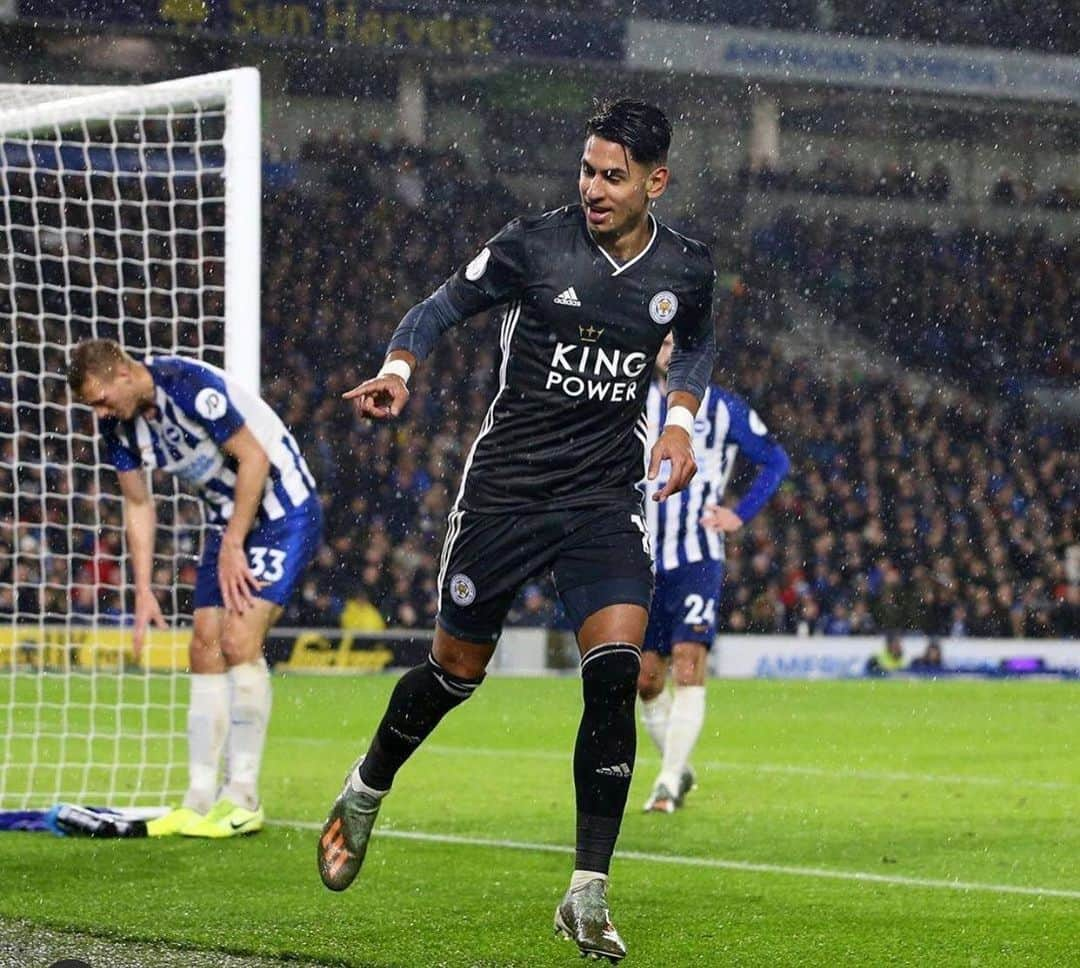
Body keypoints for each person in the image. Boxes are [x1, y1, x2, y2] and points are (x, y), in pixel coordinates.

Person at [317, 98, 715, 963]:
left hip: (603, 500)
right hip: (504, 495)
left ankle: (587, 890)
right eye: (587, 170)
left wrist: (679, 419)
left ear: (657, 180)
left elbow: (697, 346)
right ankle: (366, 786)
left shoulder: (686, 267)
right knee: (455, 672)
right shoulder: (533, 245)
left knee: (613, 673)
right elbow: (435, 308)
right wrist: (397, 368)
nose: (594, 188)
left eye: (614, 175)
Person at [66, 339, 322, 838]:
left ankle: (243, 797)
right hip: (227, 521)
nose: (99, 411)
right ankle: (199, 797)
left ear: (121, 373)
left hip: (282, 511)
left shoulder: (189, 386)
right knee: (204, 647)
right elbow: (138, 505)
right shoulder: (118, 429)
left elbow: (254, 459)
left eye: (100, 398)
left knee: (237, 642)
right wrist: (142, 589)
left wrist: (233, 544)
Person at [638, 334, 790, 813]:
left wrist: (739, 514)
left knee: (687, 660)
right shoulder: (633, 400)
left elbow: (775, 460)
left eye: (672, 342)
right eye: (659, 342)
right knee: (645, 679)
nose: (665, 349)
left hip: (698, 554)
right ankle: (678, 769)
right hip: (642, 554)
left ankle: (665, 784)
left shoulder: (725, 409)